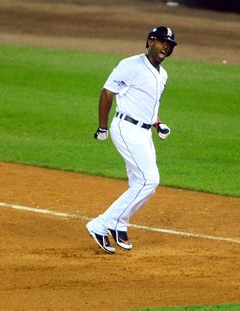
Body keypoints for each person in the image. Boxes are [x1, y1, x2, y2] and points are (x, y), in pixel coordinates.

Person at [86, 26, 177, 254]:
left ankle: (119, 225)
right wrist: (102, 127)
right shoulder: (131, 65)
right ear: (149, 42)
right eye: (161, 42)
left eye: (169, 44)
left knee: (140, 182)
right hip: (126, 129)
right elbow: (107, 92)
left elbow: (145, 104)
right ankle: (101, 223)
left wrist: (157, 123)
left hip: (144, 133)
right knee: (149, 180)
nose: (165, 47)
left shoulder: (162, 74)